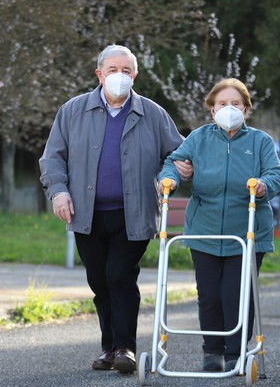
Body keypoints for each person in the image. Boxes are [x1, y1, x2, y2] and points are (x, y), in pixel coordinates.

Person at [39, 44, 192, 374]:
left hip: (134, 214)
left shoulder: (152, 113)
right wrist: (59, 192)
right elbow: (52, 158)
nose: (119, 76)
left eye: (126, 70)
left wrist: (178, 171)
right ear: (99, 74)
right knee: (99, 282)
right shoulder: (72, 111)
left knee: (119, 276)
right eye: (112, 70)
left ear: (135, 75)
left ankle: (126, 348)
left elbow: (180, 152)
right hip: (86, 214)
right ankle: (109, 348)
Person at [158, 77, 280, 372]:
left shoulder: (260, 141)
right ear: (212, 109)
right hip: (205, 228)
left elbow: (275, 175)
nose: (229, 109)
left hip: (248, 231)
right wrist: (171, 179)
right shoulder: (199, 138)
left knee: (236, 295)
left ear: (246, 109)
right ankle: (211, 352)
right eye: (222, 104)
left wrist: (263, 185)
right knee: (209, 296)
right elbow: (173, 164)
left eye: (236, 104)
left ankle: (235, 353)